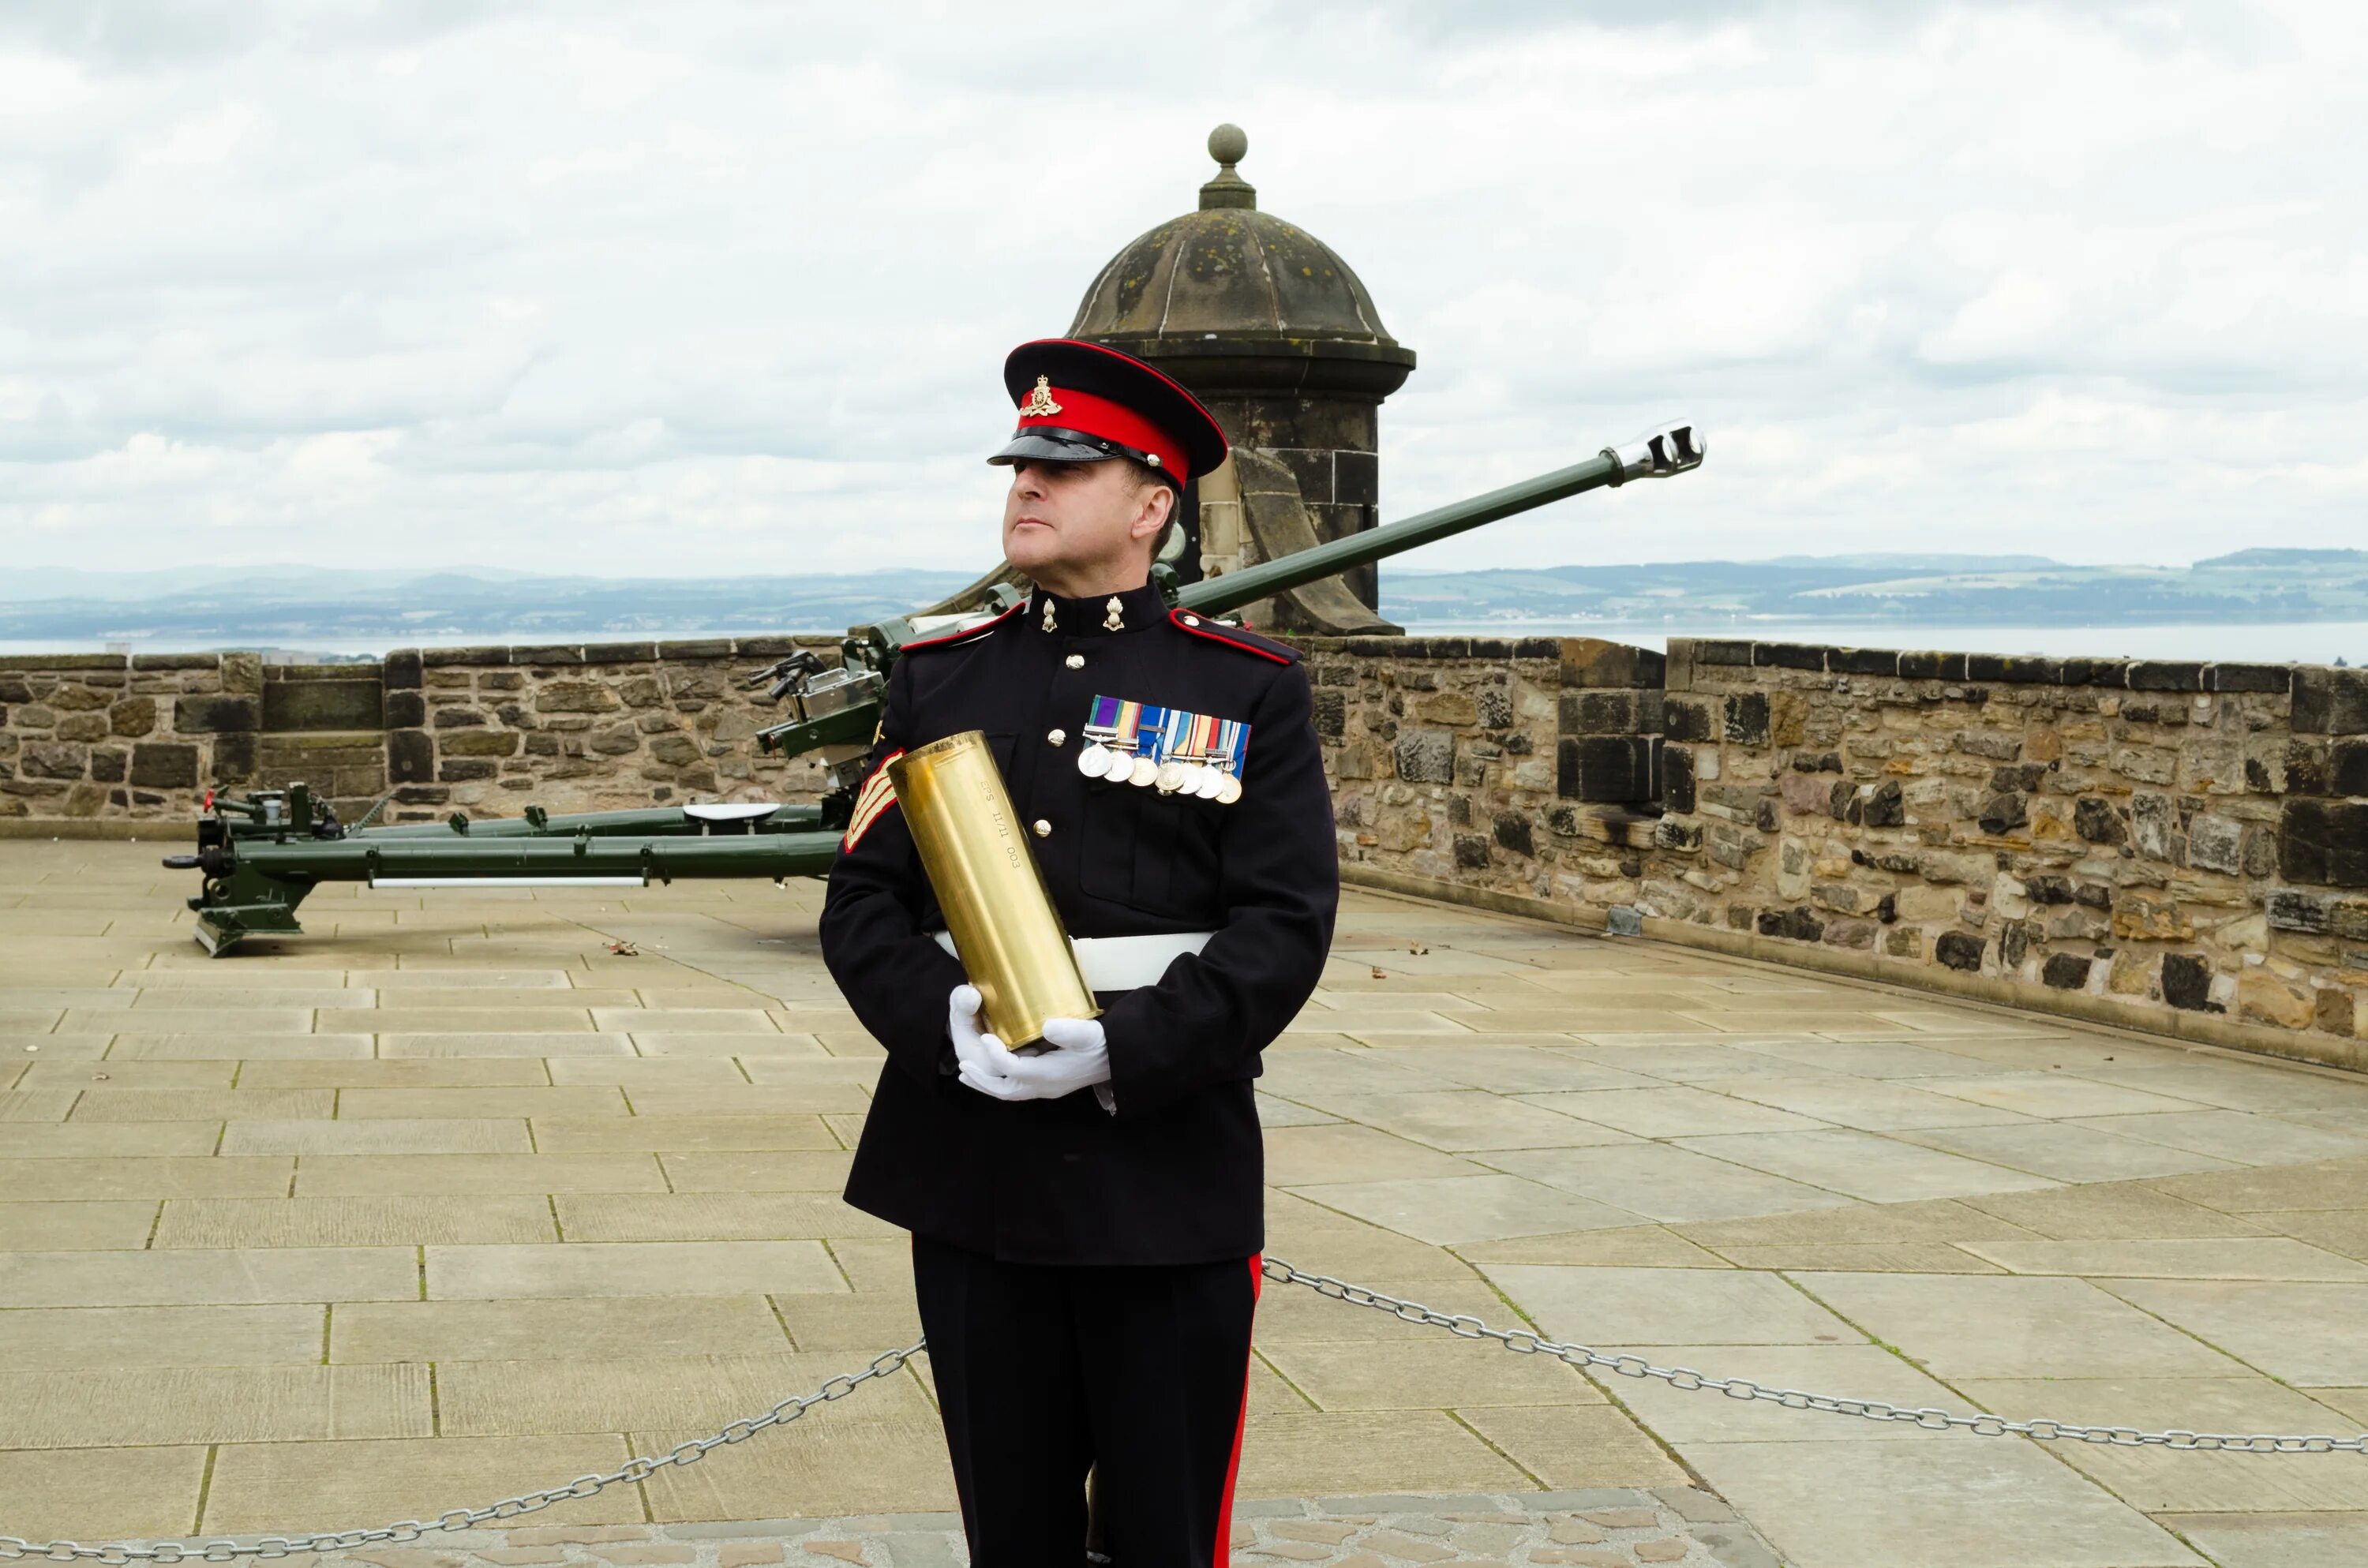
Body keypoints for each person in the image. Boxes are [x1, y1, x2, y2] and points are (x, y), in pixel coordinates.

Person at [819, 338, 1339, 1566]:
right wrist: (942, 1018)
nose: (1026, 488)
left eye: (1068, 466)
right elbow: (864, 903)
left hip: (1161, 1166)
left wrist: (1119, 1050)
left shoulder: (1245, 687)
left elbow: (1283, 927)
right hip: (971, 1162)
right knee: (1015, 1535)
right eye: (1020, 466)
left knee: (1163, 1535)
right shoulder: (938, 679)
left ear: (1153, 505)